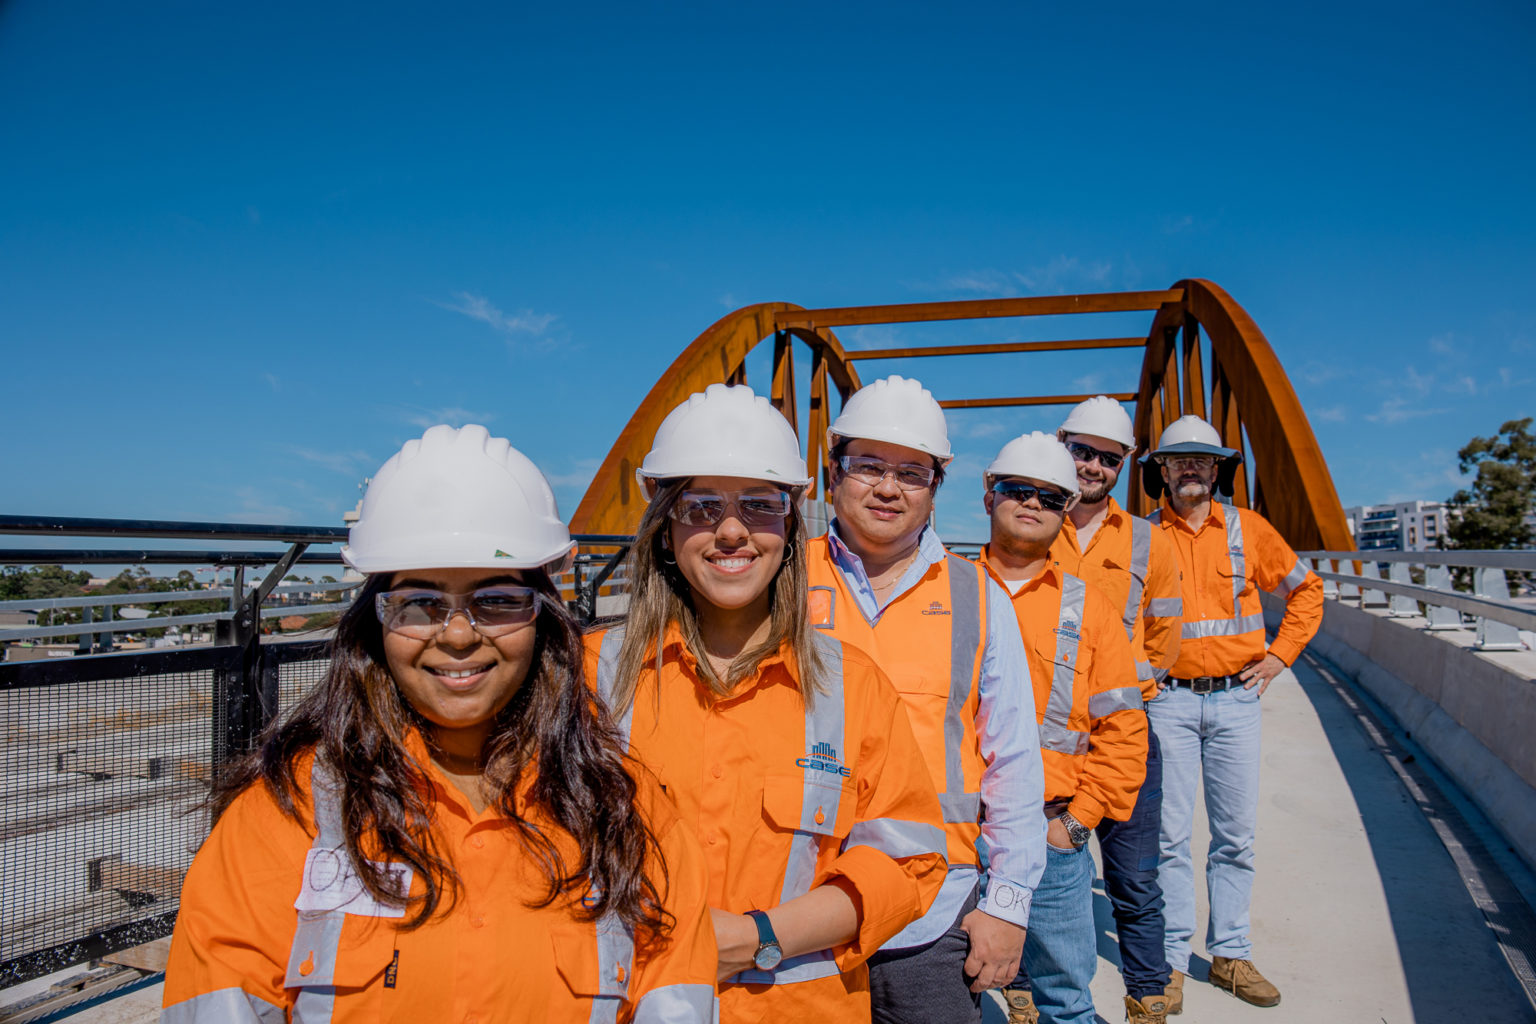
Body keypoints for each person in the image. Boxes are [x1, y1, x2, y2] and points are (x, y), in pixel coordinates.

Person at [161, 425, 716, 1023]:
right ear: (376, 620)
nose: (455, 635)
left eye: (496, 600)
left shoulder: (627, 815)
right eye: (419, 602)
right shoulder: (289, 812)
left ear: (544, 616)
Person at [587, 383, 947, 1024]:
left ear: (789, 524)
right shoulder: (591, 675)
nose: (730, 531)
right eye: (700, 506)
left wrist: (758, 938)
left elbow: (907, 864)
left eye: (758, 504)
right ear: (666, 529)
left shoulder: (852, 686)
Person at [803, 374, 1047, 1024]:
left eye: (911, 473)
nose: (889, 488)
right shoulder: (782, 581)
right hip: (798, 908)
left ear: (936, 488)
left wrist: (1008, 907)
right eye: (869, 466)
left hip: (932, 914)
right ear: (833, 471)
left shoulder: (978, 597)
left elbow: (1015, 762)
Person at [1139, 415, 1323, 1011]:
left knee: (1235, 837)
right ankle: (1170, 962)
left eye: (1202, 460)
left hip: (1236, 702)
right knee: (1168, 839)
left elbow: (1307, 590)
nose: (1190, 469)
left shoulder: (1249, 529)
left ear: (1218, 470)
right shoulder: (1143, 537)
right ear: (1162, 471)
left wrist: (1280, 656)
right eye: (1179, 460)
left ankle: (1230, 955)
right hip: (1168, 701)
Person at [974, 432, 1149, 1024]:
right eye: (1017, 489)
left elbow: (1124, 727)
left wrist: (1076, 825)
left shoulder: (1090, 609)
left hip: (1049, 830)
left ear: (1066, 510)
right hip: (951, 831)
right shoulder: (943, 590)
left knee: (1066, 1000)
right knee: (944, 993)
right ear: (989, 494)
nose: (1032, 503)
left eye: (1050, 497)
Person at [1049, 397, 1183, 1020]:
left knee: (1133, 875)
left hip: (1123, 734)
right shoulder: (1032, 517)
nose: (1093, 467)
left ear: (1123, 465)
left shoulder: (1148, 541)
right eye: (1083, 451)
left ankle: (1148, 991)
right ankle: (1026, 988)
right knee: (1038, 866)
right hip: (1046, 734)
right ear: (1062, 445)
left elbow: (1164, 633)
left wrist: (1128, 690)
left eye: (1109, 458)